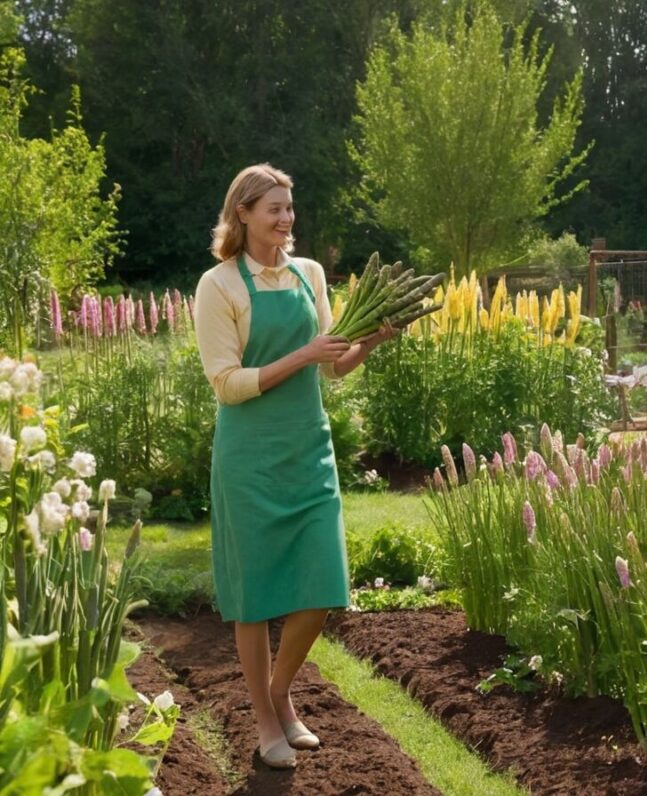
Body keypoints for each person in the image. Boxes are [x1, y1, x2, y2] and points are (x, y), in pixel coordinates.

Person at [194, 163, 394, 769]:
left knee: (324, 583)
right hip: (249, 457)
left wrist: (373, 341)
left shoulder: (309, 276)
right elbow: (227, 385)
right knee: (254, 597)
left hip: (309, 449)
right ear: (243, 214)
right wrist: (302, 353)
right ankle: (265, 721)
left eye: (289, 207)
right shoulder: (219, 285)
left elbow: (331, 366)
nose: (286, 219)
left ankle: (282, 691)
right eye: (273, 208)